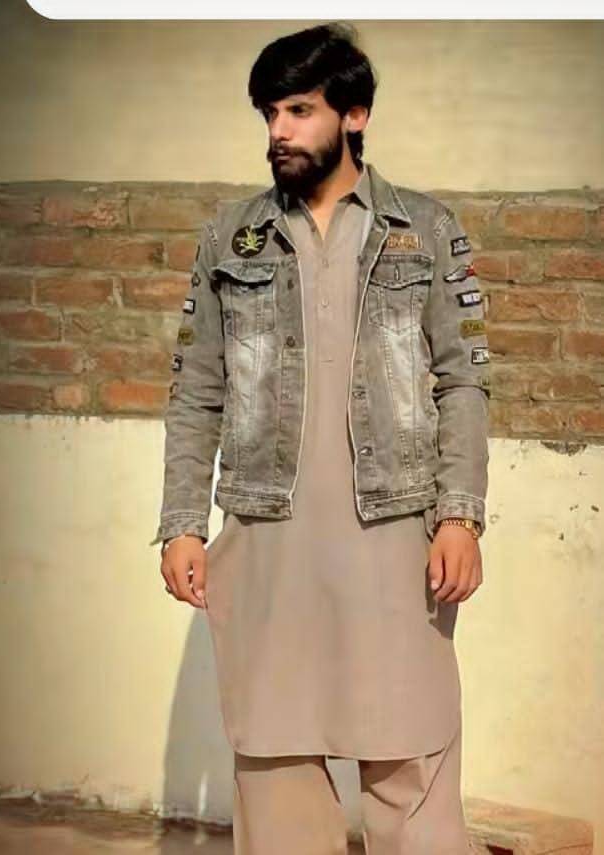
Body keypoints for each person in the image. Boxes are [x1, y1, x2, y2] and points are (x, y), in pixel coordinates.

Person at [151, 21, 489, 855]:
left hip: (396, 535)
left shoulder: (425, 229)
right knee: (275, 762)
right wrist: (183, 523)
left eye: (299, 110)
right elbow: (196, 392)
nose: (279, 130)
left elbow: (462, 380)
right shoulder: (231, 238)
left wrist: (459, 516)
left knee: (410, 756)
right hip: (267, 536)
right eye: (269, 113)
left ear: (354, 114)